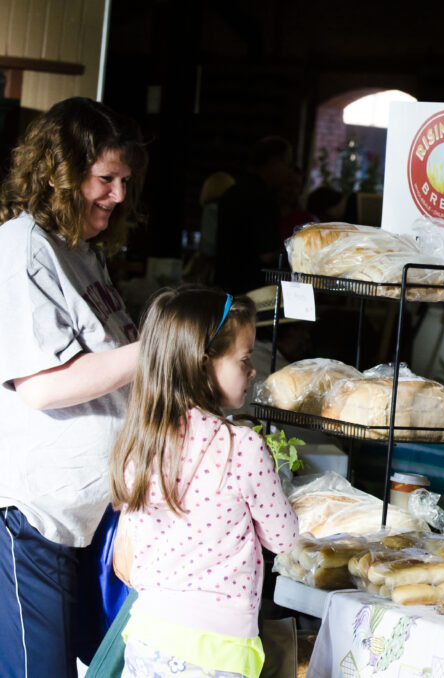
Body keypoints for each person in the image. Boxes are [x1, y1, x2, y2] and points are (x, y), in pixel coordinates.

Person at [0, 96, 146, 678]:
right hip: (34, 518)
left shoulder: (80, 251)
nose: (117, 195)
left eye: (124, 181)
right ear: (59, 174)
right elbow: (39, 385)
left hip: (85, 520)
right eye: (104, 179)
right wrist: (156, 349)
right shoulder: (22, 249)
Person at [109, 286, 298, 678]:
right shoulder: (243, 446)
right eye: (244, 359)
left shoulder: (140, 444)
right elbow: (285, 540)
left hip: (147, 639)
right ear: (204, 363)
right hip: (219, 653)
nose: (253, 370)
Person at [214, 136, 294, 293]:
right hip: (252, 292)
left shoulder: (232, 192)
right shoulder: (264, 199)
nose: (289, 171)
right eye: (287, 164)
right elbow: (267, 255)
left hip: (224, 287)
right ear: (274, 163)